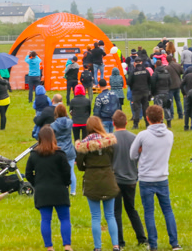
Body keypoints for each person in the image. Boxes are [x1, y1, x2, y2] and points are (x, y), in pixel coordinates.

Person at [129, 105, 181, 251]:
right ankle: (174, 243)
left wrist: (141, 150)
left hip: (146, 178)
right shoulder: (169, 134)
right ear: (162, 117)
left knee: (149, 213)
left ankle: (153, 244)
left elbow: (132, 155)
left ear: (147, 118)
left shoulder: (143, 135)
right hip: (162, 176)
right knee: (168, 210)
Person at [76, 116, 120, 251]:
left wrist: (88, 167)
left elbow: (80, 165)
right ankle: (116, 245)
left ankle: (97, 247)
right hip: (108, 178)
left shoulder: (84, 145)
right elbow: (113, 159)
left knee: (95, 216)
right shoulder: (109, 142)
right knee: (110, 215)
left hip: (92, 180)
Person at [26, 126, 72, 251]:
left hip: (42, 190)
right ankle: (67, 245)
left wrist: (37, 183)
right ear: (53, 138)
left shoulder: (34, 155)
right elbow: (67, 171)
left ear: (40, 139)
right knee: (64, 218)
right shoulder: (59, 154)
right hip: (59, 189)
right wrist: (66, 183)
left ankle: (49, 247)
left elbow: (28, 173)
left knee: (46, 220)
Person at [111, 110, 148, 249]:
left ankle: (119, 242)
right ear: (126, 122)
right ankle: (142, 238)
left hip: (115, 179)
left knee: (116, 212)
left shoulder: (110, 139)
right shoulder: (135, 137)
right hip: (131, 178)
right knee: (131, 209)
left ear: (113, 123)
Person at [50, 104, 77, 196]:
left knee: (58, 171)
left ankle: (61, 189)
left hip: (59, 150)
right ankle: (73, 191)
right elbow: (68, 119)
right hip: (69, 149)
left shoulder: (53, 125)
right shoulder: (70, 122)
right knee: (71, 171)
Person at [128, 59, 151, 129]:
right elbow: (150, 81)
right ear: (141, 62)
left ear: (135, 63)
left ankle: (135, 124)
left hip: (136, 93)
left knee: (137, 108)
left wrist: (133, 88)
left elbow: (128, 82)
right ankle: (147, 123)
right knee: (145, 108)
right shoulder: (146, 71)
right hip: (145, 92)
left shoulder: (133, 72)